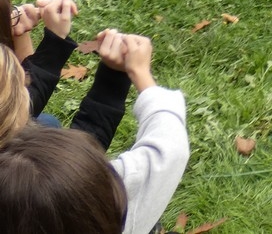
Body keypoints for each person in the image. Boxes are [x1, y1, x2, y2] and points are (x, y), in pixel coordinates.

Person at [0, 31, 189, 234]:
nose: (29, 87)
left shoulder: (17, 175)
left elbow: (70, 158)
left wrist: (112, 78)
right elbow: (168, 151)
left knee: (47, 123)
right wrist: (141, 74)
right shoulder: (67, 189)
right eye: (24, 84)